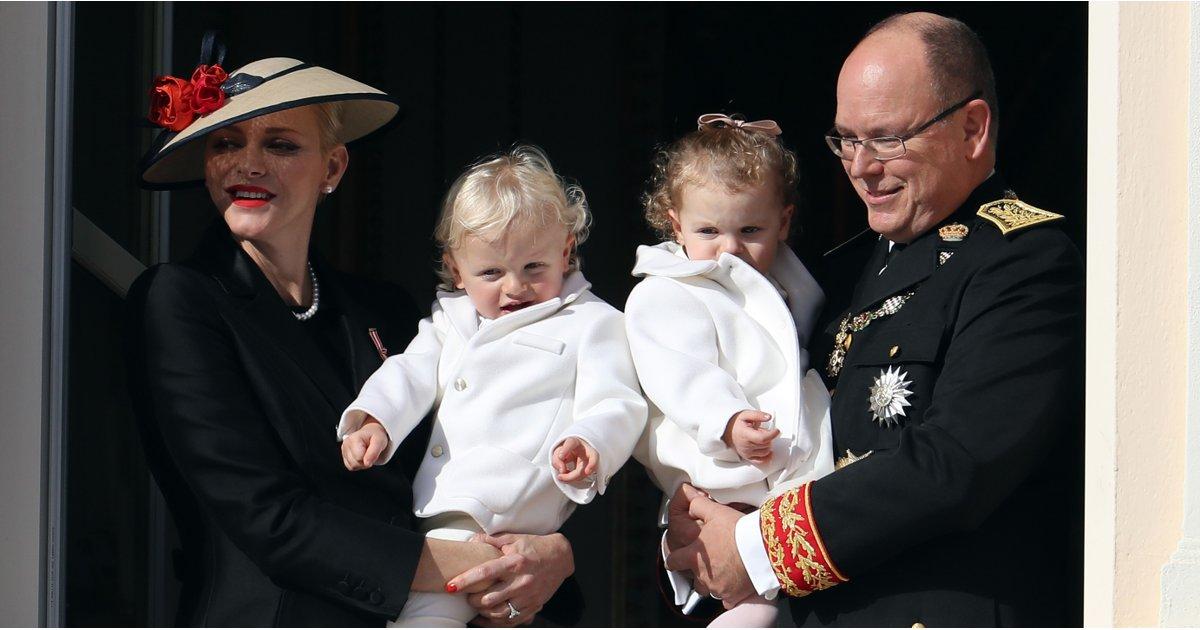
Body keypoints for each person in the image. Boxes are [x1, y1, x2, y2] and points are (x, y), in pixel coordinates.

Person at [127, 47, 579, 627]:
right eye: (226, 143)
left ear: (334, 169)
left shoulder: (386, 310)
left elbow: (490, 445)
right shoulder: (179, 298)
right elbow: (268, 517)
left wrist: (553, 553)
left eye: (281, 144)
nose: (248, 164)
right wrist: (490, 567)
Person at [664, 12, 1085, 627]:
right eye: (846, 140)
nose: (861, 167)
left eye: (887, 138)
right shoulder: (828, 277)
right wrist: (699, 531)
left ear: (972, 128)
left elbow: (956, 463)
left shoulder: (1024, 260)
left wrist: (756, 548)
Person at [336, 145, 647, 627]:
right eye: (490, 273)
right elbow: (410, 371)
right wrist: (375, 419)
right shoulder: (450, 319)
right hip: (436, 510)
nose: (514, 288)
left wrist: (591, 442)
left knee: (427, 616)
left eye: (534, 268)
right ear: (456, 269)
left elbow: (617, 400)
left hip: (514, 509)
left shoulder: (593, 321)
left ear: (565, 251)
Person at [626, 114, 834, 627]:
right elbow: (680, 372)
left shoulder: (790, 282)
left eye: (750, 230)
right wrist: (727, 419)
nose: (730, 249)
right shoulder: (667, 293)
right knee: (753, 606)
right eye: (708, 231)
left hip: (786, 479)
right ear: (675, 226)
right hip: (723, 477)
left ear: (783, 222)